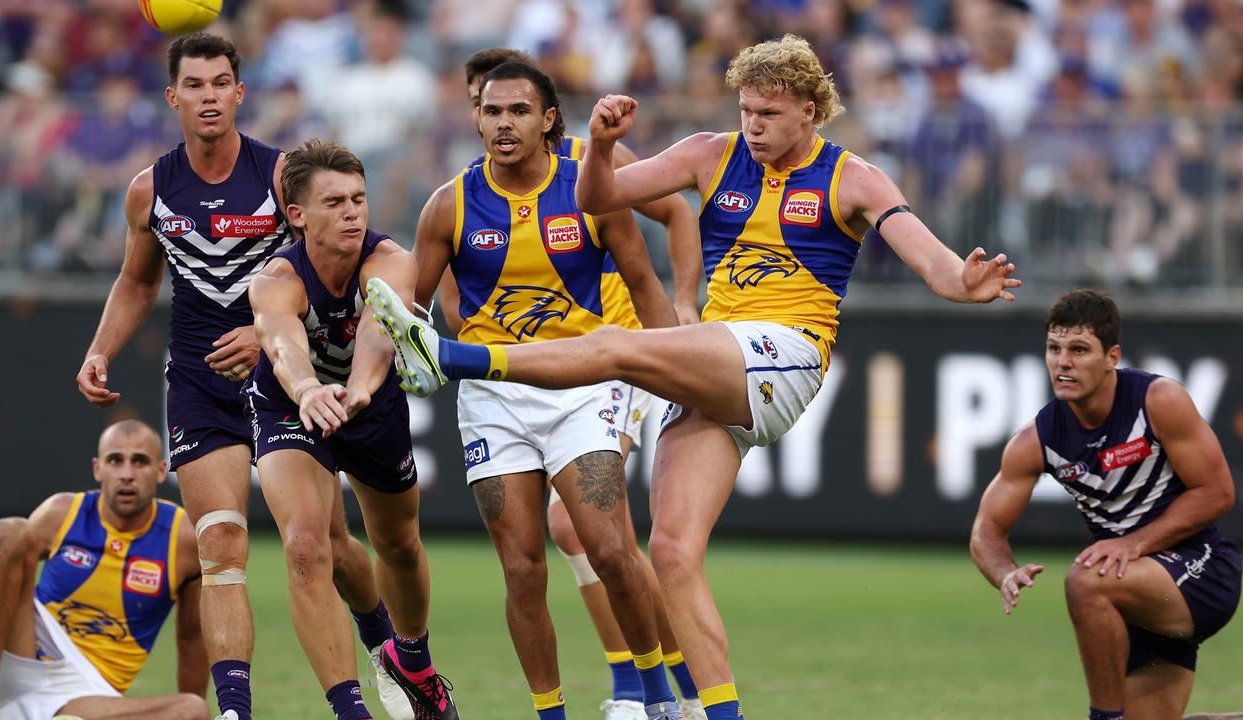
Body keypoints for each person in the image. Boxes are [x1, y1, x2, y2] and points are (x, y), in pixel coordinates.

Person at [368, 34, 1021, 720]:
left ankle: (452, 357)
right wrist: (605, 143)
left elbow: (931, 259)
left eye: (769, 113)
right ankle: (714, 712)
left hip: (785, 354)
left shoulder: (851, 177)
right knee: (672, 552)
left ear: (809, 109)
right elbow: (602, 194)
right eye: (746, 110)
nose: (754, 126)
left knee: (619, 344)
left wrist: (963, 280)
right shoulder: (712, 153)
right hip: (719, 366)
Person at [72, 32, 408, 720]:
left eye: (220, 83)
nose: (208, 97)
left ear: (239, 93)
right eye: (193, 85)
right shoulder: (151, 191)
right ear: (173, 97)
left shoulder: (283, 177)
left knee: (327, 544)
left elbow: (325, 270)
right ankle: (234, 711)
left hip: (287, 380)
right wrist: (100, 347)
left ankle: (384, 649)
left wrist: (268, 335)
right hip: (199, 381)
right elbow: (138, 282)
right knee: (219, 541)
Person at [398, 59, 683, 720]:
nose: (503, 123)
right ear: (476, 118)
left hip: (585, 384)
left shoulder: (590, 190)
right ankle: (550, 713)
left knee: (611, 549)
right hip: (494, 397)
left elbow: (643, 284)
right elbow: (410, 308)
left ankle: (658, 695)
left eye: (518, 111)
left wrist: (677, 368)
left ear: (548, 119)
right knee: (523, 571)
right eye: (492, 111)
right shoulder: (449, 204)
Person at [246, 139, 458, 720]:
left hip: (372, 404)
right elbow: (282, 344)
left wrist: (361, 387)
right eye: (335, 201)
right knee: (307, 548)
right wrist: (309, 389)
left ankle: (412, 659)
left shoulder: (390, 260)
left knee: (398, 543)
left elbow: (378, 333)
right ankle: (351, 710)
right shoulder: (275, 280)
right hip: (293, 405)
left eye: (358, 199)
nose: (352, 212)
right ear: (297, 215)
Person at [971, 289, 1240, 720]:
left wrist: (1134, 543)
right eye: (1054, 349)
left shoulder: (1157, 401)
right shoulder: (1036, 440)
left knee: (1084, 580)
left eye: (1079, 350)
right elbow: (986, 529)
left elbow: (1218, 492)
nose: (1063, 362)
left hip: (1202, 569)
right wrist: (1004, 571)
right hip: (1132, 587)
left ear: (1112, 355)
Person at [0, 420, 208, 720]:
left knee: (193, 711)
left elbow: (193, 636)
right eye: (115, 461)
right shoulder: (62, 512)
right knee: (8, 532)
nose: (127, 474)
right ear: (98, 468)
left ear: (160, 471)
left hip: (91, 695)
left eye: (140, 462)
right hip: (22, 654)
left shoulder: (182, 538)